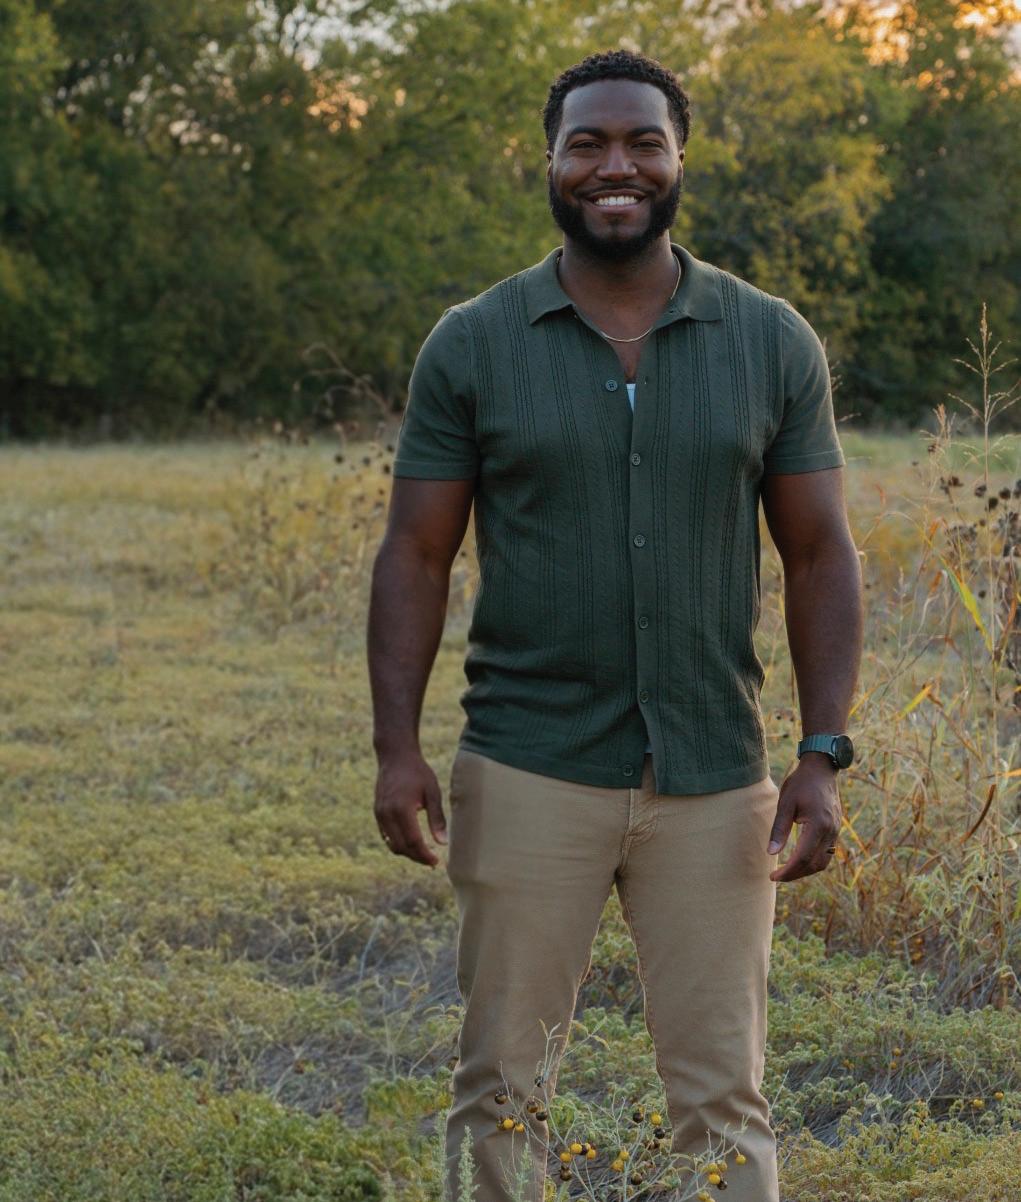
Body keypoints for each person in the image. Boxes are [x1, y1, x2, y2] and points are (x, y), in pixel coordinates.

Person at [367, 47, 863, 1202]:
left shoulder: (768, 338)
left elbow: (818, 552)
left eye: (643, 141)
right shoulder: (474, 341)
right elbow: (416, 554)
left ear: (679, 158)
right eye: (585, 143)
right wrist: (396, 747)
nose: (614, 167)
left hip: (712, 772)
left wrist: (821, 750)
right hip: (528, 761)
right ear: (548, 162)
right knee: (499, 1086)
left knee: (724, 1097)